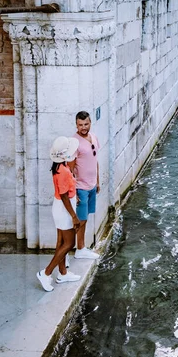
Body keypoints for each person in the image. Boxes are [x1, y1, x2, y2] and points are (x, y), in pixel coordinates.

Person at [37, 136, 81, 292]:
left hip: (62, 206)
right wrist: (74, 216)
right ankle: (46, 272)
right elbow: (63, 195)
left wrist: (75, 197)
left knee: (61, 242)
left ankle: (63, 273)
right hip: (64, 208)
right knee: (69, 244)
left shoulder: (58, 166)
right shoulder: (62, 170)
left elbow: (66, 192)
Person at [69, 111, 100, 260]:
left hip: (92, 185)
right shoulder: (74, 143)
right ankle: (79, 249)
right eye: (80, 125)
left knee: (85, 217)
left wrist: (97, 182)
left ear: (90, 123)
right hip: (80, 187)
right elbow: (70, 170)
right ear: (76, 124)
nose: (83, 127)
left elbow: (95, 161)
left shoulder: (93, 137)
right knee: (80, 219)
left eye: (86, 124)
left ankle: (82, 247)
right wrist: (73, 192)